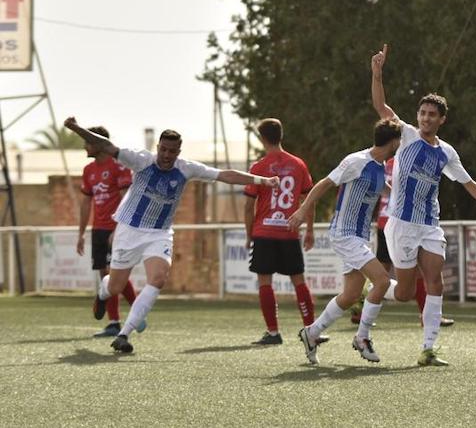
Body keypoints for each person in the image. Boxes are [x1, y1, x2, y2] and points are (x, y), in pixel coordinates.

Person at [64, 116, 281, 353]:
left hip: (159, 233)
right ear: (157, 147)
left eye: (172, 151)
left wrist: (263, 181)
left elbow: (225, 174)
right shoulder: (141, 160)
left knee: (158, 278)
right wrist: (76, 129)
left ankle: (124, 334)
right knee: (115, 286)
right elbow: (105, 145)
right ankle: (103, 292)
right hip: (129, 229)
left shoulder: (186, 168)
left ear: (179, 151)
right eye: (164, 150)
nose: (167, 155)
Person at [371, 44, 476, 366]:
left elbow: (467, 180)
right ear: (418, 117)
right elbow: (380, 105)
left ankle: (428, 349)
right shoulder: (408, 135)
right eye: (422, 113)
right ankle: (373, 290)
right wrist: (377, 72)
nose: (426, 118)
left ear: (441, 119)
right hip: (400, 223)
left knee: (435, 281)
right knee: (403, 293)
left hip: (429, 224)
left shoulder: (447, 152)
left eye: (432, 114)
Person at [289, 118, 402, 365]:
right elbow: (324, 184)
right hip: (344, 233)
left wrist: (402, 198)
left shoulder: (379, 165)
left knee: (351, 294)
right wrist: (301, 211)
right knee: (381, 280)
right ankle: (362, 337)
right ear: (393, 141)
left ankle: (311, 333)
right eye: (400, 140)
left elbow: (383, 188)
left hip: (359, 235)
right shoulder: (356, 161)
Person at [244, 118, 324, 346]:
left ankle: (273, 332)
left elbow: (249, 205)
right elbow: (308, 200)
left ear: (262, 138)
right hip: (289, 231)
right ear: (281, 135)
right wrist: (309, 229)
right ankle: (312, 330)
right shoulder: (298, 164)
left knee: (265, 281)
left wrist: (249, 234)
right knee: (298, 279)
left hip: (264, 231)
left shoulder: (258, 167)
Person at [349, 156, 455, 328]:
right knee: (409, 272)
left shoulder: (386, 164)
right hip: (401, 224)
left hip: (385, 222)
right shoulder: (409, 163)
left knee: (382, 271)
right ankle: (423, 315)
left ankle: (359, 309)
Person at [76, 126, 137, 337]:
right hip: (99, 229)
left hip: (116, 228)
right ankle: (115, 322)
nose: (84, 145)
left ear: (99, 143)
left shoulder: (118, 166)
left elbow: (126, 200)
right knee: (105, 274)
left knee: (114, 273)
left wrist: (119, 228)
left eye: (87, 141)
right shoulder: (88, 170)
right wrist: (81, 233)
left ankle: (137, 311)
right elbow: (85, 203)